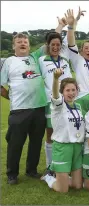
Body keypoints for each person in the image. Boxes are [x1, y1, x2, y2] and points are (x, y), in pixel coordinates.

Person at [1, 32, 48, 184]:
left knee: (36, 142)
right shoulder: (9, 61)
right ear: (14, 45)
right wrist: (11, 97)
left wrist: (62, 25)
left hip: (39, 107)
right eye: (19, 42)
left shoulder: (35, 57)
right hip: (19, 110)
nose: (22, 44)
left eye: (25, 42)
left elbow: (49, 42)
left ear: (29, 45)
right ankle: (12, 174)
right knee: (15, 143)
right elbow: (1, 86)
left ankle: (31, 170)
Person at [40, 69, 84, 193]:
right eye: (67, 90)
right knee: (63, 190)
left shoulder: (78, 106)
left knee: (77, 186)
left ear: (77, 90)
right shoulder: (58, 105)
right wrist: (55, 79)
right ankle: (49, 177)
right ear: (62, 92)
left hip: (77, 147)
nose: (71, 93)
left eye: (73, 90)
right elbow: (55, 95)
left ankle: (63, 176)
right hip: (62, 147)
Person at [39, 19, 72, 169]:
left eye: (58, 45)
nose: (56, 47)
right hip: (50, 102)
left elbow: (70, 80)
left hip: (66, 102)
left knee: (65, 132)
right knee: (51, 134)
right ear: (48, 46)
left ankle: (64, 165)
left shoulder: (65, 60)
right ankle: (49, 167)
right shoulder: (41, 60)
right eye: (53, 44)